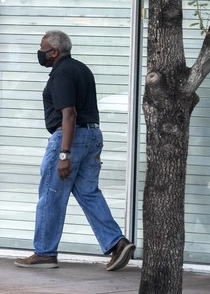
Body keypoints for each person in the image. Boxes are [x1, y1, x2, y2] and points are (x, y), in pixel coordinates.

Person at [14, 30, 135, 271]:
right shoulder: (82, 69)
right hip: (93, 136)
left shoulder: (61, 74)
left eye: (42, 48)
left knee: (51, 194)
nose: (40, 53)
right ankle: (117, 243)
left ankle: (44, 253)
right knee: (88, 192)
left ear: (55, 52)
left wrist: (64, 155)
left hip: (70, 138)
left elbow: (69, 115)